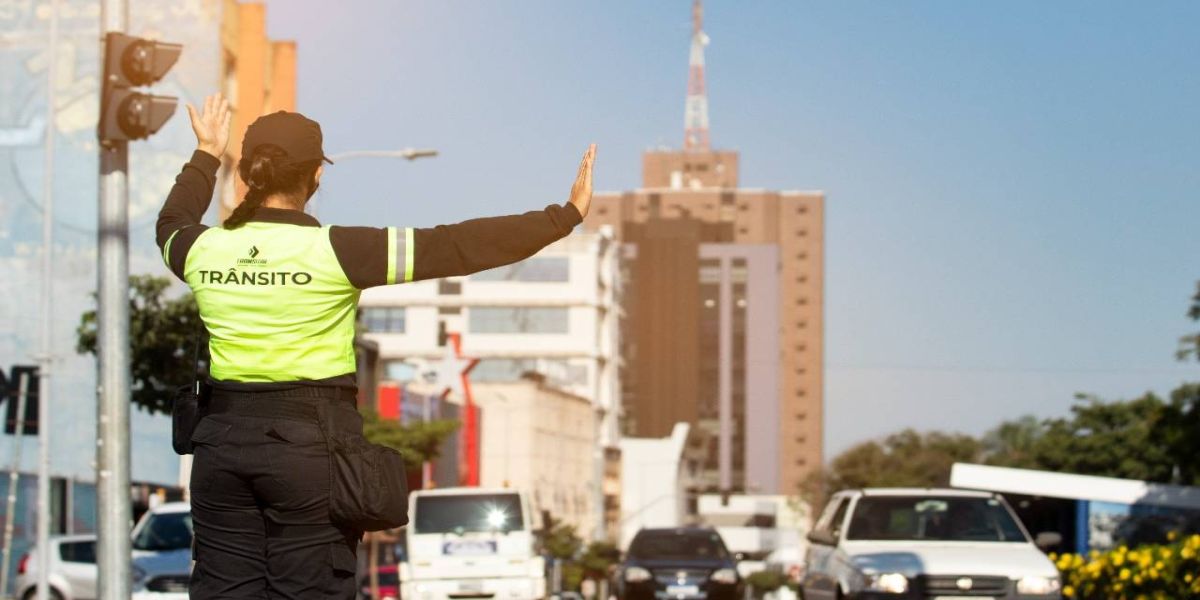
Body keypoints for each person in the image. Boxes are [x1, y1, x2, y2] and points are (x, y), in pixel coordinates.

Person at [155, 92, 595, 599]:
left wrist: (206, 152)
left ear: (246, 175)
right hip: (310, 453)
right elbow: (456, 245)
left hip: (220, 450)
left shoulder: (201, 248)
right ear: (315, 177)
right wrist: (562, 216)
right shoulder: (341, 250)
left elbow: (171, 223)